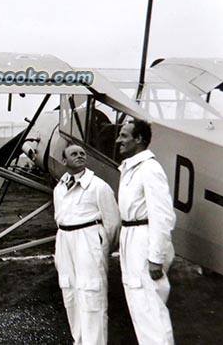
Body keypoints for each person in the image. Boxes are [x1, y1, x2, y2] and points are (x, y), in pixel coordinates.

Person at [53, 144, 121, 345]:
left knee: (92, 294)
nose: (80, 156)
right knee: (70, 292)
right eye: (74, 154)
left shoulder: (98, 187)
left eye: (82, 153)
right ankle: (79, 340)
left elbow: (113, 223)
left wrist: (100, 247)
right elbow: (59, 217)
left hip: (88, 240)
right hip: (65, 240)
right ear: (64, 161)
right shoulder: (59, 188)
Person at [116, 119, 175, 345]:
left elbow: (163, 216)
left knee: (151, 309)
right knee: (139, 307)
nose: (118, 140)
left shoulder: (150, 169)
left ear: (139, 139)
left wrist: (155, 258)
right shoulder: (131, 167)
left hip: (144, 240)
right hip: (130, 239)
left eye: (123, 135)